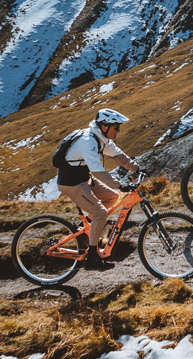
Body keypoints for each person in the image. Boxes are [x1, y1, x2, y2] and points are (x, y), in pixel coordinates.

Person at [56, 107, 140, 269]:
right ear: (104, 126)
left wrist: (137, 168)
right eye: (116, 128)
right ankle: (92, 257)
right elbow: (97, 171)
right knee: (100, 213)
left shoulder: (100, 139)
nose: (118, 131)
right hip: (71, 183)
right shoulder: (88, 142)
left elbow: (118, 156)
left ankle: (87, 230)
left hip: (84, 179)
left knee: (112, 197)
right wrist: (118, 185)